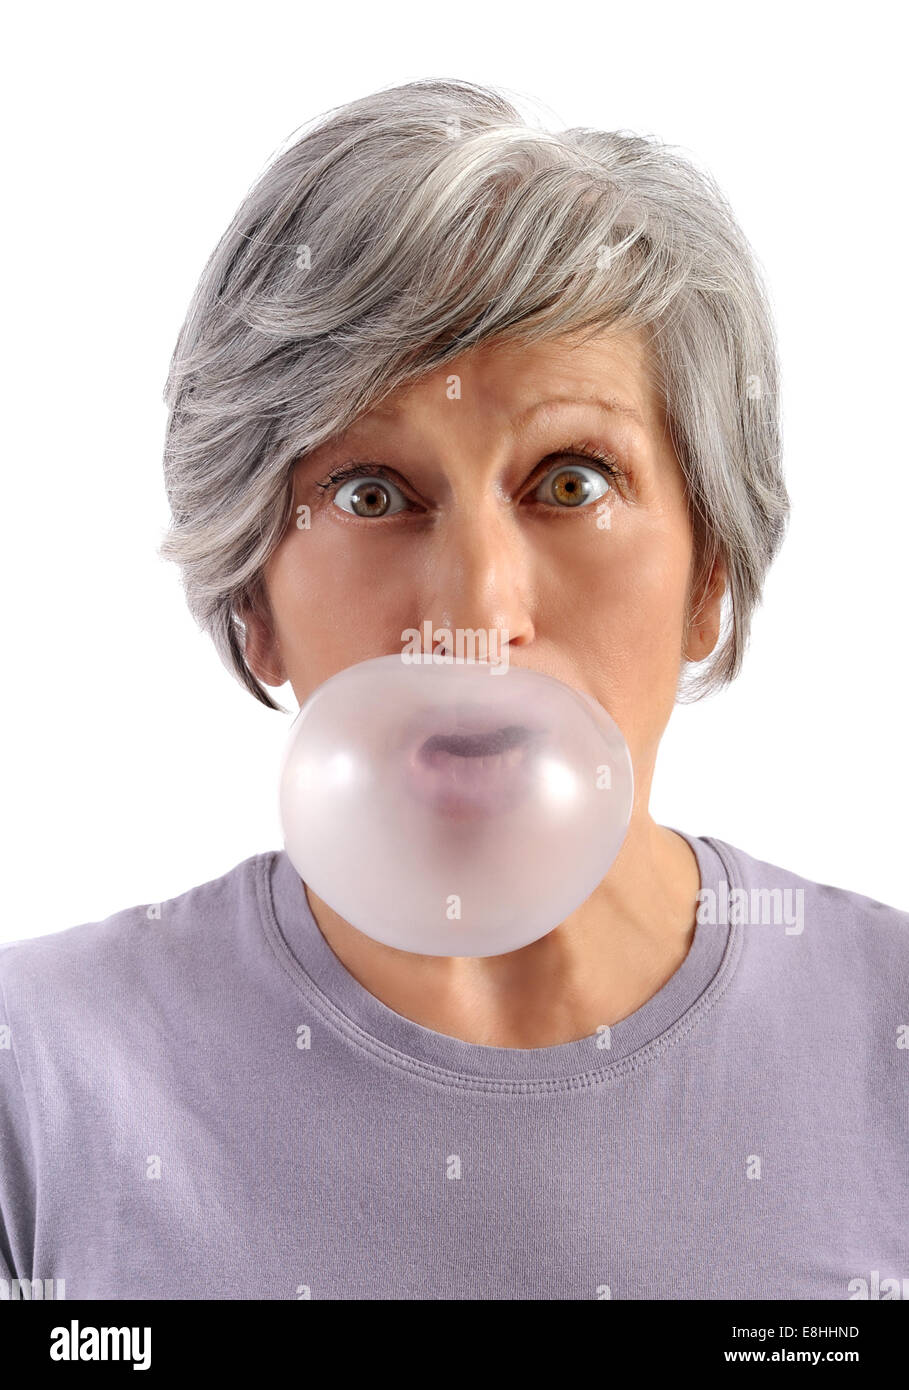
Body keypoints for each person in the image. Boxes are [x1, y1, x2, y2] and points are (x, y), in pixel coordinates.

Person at [1, 77, 906, 1302]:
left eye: (572, 482)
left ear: (711, 576)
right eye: (373, 494)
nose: (476, 615)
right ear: (254, 600)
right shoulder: (37, 1077)